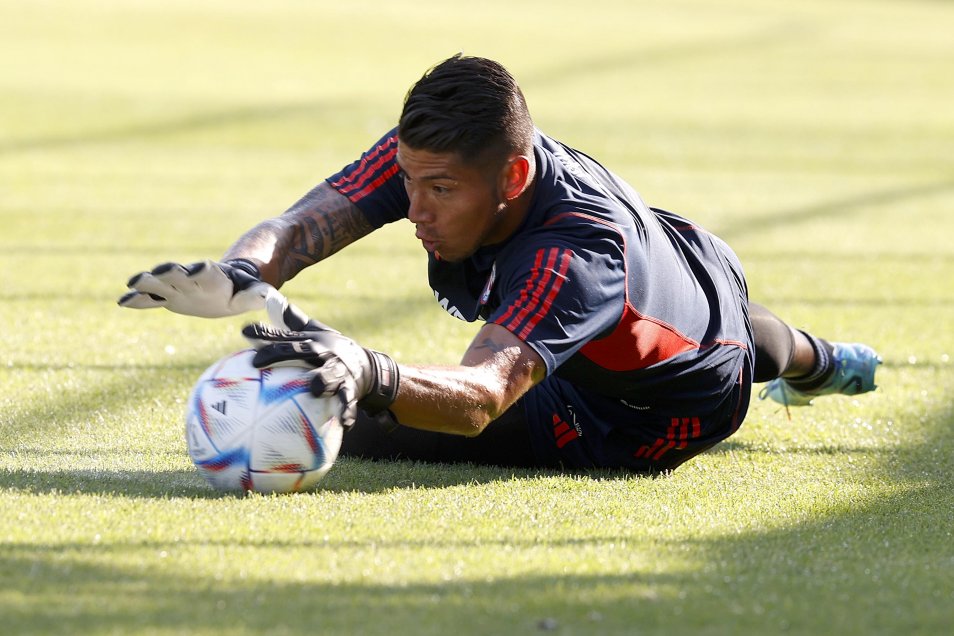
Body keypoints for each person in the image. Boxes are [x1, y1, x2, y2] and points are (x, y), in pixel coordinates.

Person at [119, 54, 881, 473]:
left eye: (438, 192)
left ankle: (812, 362)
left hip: (648, 411)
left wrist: (370, 374)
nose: (413, 207)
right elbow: (304, 222)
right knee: (740, 333)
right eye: (408, 181)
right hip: (683, 259)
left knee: (366, 418)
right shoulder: (447, 157)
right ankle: (826, 362)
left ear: (513, 179)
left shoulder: (570, 257)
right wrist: (242, 274)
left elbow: (483, 394)